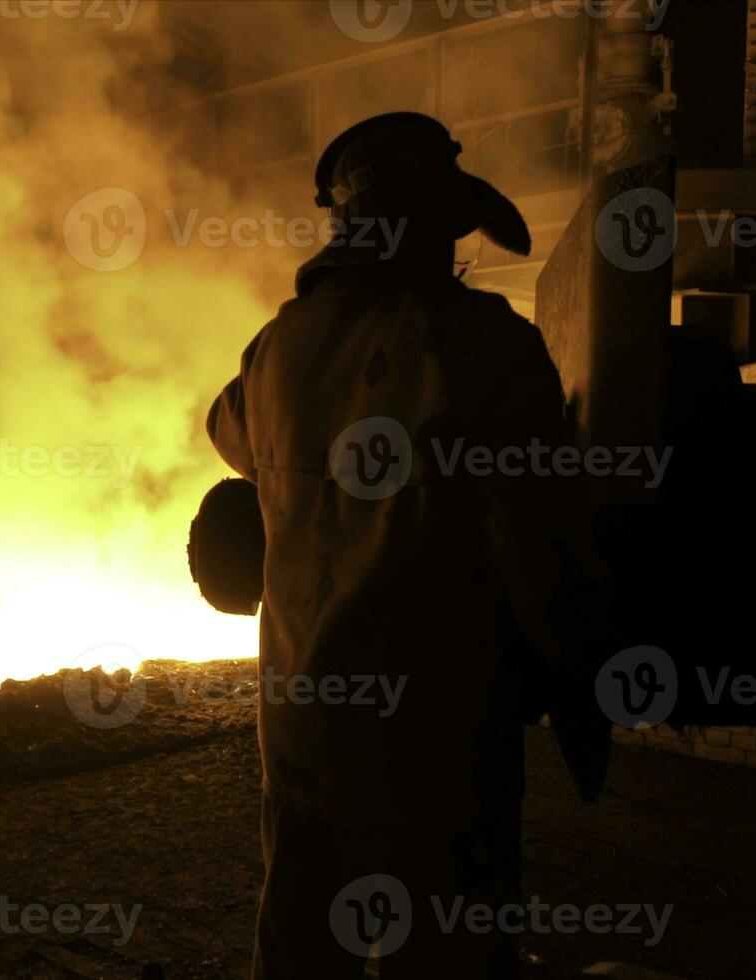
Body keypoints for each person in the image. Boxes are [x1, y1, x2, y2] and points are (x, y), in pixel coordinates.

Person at [206, 112, 610, 979]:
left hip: (302, 723)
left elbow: (229, 432)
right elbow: (531, 538)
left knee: (300, 950)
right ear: (433, 227)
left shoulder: (274, 347)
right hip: (436, 735)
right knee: (445, 953)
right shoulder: (485, 342)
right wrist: (577, 675)